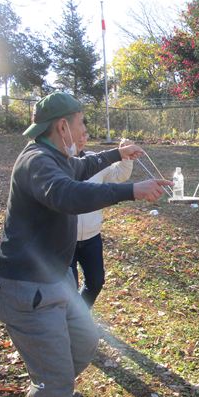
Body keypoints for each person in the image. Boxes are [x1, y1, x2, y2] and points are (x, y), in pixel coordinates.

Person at [0, 91, 171, 397]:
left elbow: (83, 167)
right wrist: (131, 190)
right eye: (81, 122)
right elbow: (67, 195)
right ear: (62, 126)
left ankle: (49, 390)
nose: (85, 129)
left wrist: (118, 154)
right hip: (26, 291)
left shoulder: (57, 156)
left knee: (86, 342)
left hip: (56, 283)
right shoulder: (37, 162)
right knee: (56, 384)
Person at [71, 131, 134, 308]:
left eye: (85, 134)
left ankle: (80, 316)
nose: (82, 138)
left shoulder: (94, 159)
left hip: (92, 237)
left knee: (96, 282)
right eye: (78, 133)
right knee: (69, 288)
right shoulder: (58, 165)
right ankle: (72, 322)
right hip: (64, 239)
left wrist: (125, 156)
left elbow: (118, 175)